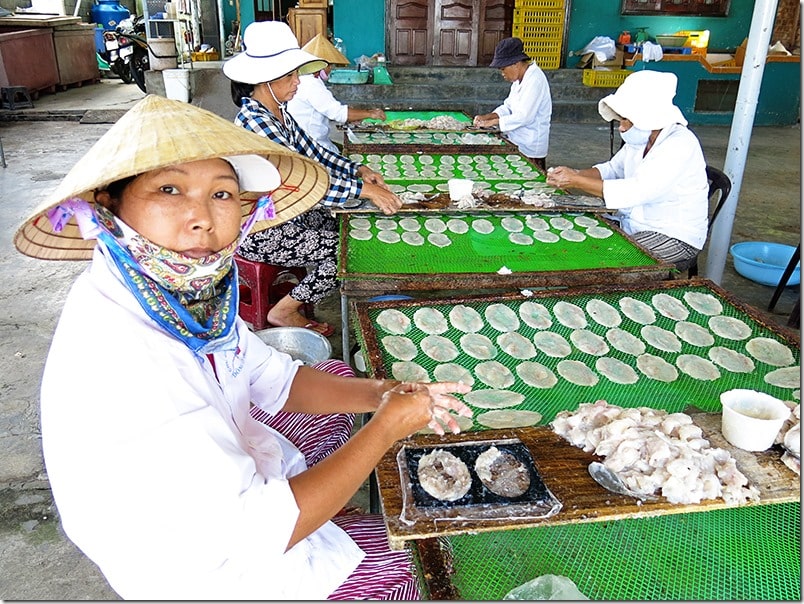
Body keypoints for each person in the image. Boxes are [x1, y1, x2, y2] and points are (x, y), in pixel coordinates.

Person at [13, 94, 473, 600]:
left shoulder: (185, 291)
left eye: (223, 194)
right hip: (198, 568)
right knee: (406, 572)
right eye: (169, 189)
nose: (202, 218)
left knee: (342, 382)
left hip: (220, 491)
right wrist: (386, 429)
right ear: (109, 204)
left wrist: (381, 394)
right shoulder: (123, 358)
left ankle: (326, 500)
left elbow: (273, 376)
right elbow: (258, 531)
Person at [224, 21, 403, 337]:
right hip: (261, 227)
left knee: (346, 227)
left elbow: (317, 155)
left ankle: (306, 294)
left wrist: (357, 170)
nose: (297, 82)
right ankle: (285, 310)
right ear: (267, 80)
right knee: (346, 249)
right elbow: (300, 184)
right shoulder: (257, 124)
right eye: (291, 76)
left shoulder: (277, 113)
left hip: (284, 212)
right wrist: (362, 190)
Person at [546, 70, 708, 271]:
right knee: (572, 235)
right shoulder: (639, 140)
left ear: (647, 118)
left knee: (605, 265)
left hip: (672, 234)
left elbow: (636, 192)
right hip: (633, 223)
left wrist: (577, 182)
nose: (621, 128)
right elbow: (613, 169)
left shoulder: (679, 145)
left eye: (625, 120)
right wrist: (576, 173)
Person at [287, 33, 387, 152]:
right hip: (312, 146)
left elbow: (329, 109)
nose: (331, 69)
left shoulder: (306, 79)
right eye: (330, 65)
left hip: (305, 140)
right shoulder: (311, 84)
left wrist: (354, 115)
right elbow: (337, 112)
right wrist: (370, 114)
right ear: (320, 65)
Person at [473, 37, 552, 172]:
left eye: (503, 69)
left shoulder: (535, 80)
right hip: (516, 141)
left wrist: (493, 123)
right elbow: (508, 107)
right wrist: (487, 117)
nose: (502, 74)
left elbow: (524, 117)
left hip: (530, 147)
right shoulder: (518, 80)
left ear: (516, 64)